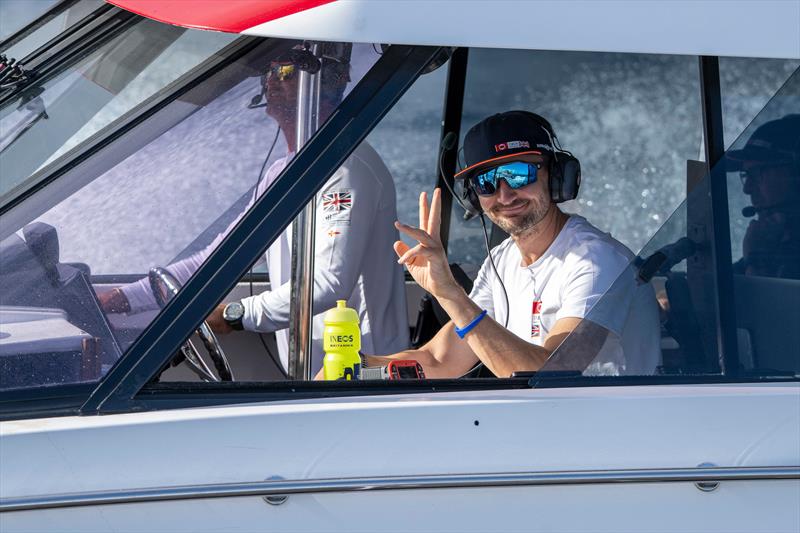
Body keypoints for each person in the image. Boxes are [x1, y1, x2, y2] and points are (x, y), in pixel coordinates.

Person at [100, 45, 409, 373]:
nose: (272, 81)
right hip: (317, 373)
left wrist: (237, 314)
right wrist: (120, 299)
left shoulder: (346, 168)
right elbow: (217, 257)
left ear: (323, 84)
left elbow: (329, 283)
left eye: (286, 71)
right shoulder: (283, 172)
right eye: (269, 72)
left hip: (363, 376)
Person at [367, 111, 661, 378]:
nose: (505, 196)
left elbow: (550, 375)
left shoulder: (596, 261)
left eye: (519, 173)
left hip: (606, 432)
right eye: (486, 182)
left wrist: (451, 295)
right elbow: (438, 359)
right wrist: (349, 367)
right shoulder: (503, 259)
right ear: (473, 197)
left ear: (556, 175)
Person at [728, 114, 800, 279]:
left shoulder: (768, 254)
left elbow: (769, 304)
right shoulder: (778, 246)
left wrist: (756, 258)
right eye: (746, 175)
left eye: (758, 173)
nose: (747, 188)